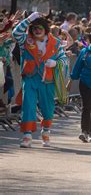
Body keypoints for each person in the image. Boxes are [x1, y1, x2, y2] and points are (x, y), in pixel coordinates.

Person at [12, 12, 67, 148]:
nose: (36, 31)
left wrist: (55, 64)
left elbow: (64, 60)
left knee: (47, 108)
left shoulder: (55, 43)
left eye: (39, 28)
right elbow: (15, 32)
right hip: (30, 78)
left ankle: (46, 130)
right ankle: (27, 135)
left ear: (45, 30)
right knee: (28, 105)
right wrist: (29, 19)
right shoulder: (25, 40)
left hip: (47, 80)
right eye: (34, 28)